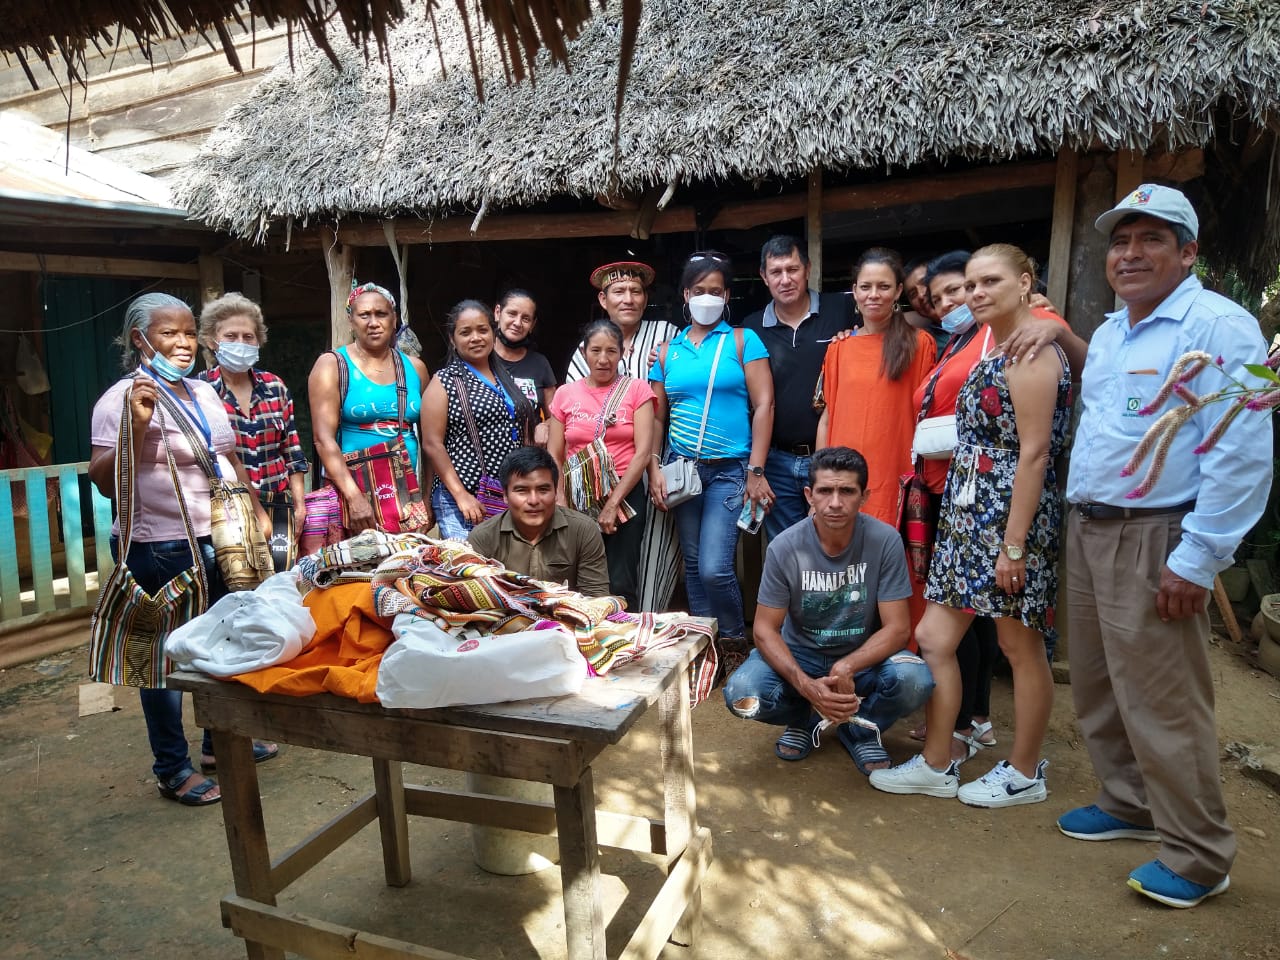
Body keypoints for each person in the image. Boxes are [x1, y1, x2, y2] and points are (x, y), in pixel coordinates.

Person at [1014, 184, 1272, 908]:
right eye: (1122, 241)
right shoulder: (1117, 331)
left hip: (1155, 533)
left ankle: (1199, 856)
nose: (1130, 254)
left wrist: (1198, 555)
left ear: (1188, 253)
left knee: (1163, 698)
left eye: (1151, 239)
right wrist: (1062, 336)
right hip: (1092, 526)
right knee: (1098, 682)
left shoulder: (1218, 328)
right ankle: (1128, 801)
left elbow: (1240, 451)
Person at [868, 244, 1072, 808]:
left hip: (1008, 517)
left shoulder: (1031, 351)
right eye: (972, 283)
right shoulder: (992, 345)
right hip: (967, 515)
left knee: (1019, 644)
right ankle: (938, 763)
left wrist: (1014, 545)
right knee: (935, 639)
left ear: (1026, 282)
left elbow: (1034, 453)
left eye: (990, 282)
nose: (977, 293)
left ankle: (1025, 772)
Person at [88, 293, 278, 807]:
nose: (183, 343)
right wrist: (136, 425)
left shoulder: (202, 391)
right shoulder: (120, 399)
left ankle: (219, 742)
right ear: (140, 339)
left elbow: (227, 457)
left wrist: (255, 508)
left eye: (189, 333)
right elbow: (103, 481)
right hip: (159, 546)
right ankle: (172, 768)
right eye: (169, 333)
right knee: (162, 660)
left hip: (219, 540)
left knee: (223, 641)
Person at [724, 446, 933, 773]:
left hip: (862, 658)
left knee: (915, 680)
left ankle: (861, 728)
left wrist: (848, 666)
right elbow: (764, 629)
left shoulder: (885, 540)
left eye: (847, 491)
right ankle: (804, 718)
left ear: (864, 497)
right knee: (742, 695)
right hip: (800, 655)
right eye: (825, 491)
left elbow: (898, 628)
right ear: (809, 495)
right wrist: (807, 686)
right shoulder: (785, 546)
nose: (835, 503)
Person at [648, 250, 773, 674]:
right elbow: (658, 416)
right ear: (686, 295)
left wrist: (756, 469)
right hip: (682, 470)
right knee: (695, 565)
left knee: (716, 568)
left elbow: (764, 404)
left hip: (730, 471)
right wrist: (653, 467)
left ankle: (734, 642)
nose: (708, 297)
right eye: (699, 290)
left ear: (727, 296)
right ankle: (706, 648)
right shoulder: (668, 352)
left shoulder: (742, 340)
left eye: (715, 291)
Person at [567, 261, 681, 612]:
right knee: (593, 559)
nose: (628, 299)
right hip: (594, 478)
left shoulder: (667, 334)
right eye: (619, 292)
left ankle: (645, 618)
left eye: (636, 291)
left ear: (646, 298)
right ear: (603, 300)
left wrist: (669, 357)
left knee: (652, 549)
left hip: (657, 460)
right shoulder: (584, 350)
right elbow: (572, 413)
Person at [742, 236, 854, 541]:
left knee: (835, 544)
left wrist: (855, 336)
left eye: (792, 269)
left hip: (833, 457)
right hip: (777, 461)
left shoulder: (842, 309)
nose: (785, 279)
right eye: (776, 272)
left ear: (807, 269)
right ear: (763, 276)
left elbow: (886, 328)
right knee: (788, 549)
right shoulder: (751, 327)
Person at [815, 248, 936, 526]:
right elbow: (827, 419)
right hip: (842, 475)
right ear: (854, 291)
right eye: (866, 286)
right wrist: (821, 476)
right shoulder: (839, 348)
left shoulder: (919, 344)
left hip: (895, 470)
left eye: (884, 286)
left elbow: (926, 417)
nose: (874, 294)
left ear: (898, 291)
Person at [547, 319, 657, 608]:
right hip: (577, 496)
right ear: (584, 352)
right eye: (595, 350)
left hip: (625, 494)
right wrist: (560, 499)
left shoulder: (637, 390)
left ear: (623, 353)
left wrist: (612, 504)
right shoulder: (565, 394)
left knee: (620, 579)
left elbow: (643, 452)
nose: (603, 359)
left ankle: (623, 632)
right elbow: (554, 453)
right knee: (576, 578)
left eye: (611, 351)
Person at [307, 282, 431, 535]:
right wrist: (354, 497)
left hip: (405, 498)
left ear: (394, 319)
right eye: (364, 315)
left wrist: (427, 499)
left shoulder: (415, 368)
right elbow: (323, 439)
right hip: (350, 493)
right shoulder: (333, 365)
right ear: (351, 321)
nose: (373, 322)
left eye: (381, 314)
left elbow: (430, 441)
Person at [197, 293, 309, 571]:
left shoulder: (275, 387)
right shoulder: (199, 390)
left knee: (282, 579)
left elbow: (292, 450)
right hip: (228, 509)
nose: (241, 343)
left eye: (248, 337)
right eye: (231, 336)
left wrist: (299, 504)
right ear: (212, 340)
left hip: (278, 502)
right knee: (238, 584)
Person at [422, 299, 538, 540]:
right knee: (469, 562)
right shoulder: (445, 381)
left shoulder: (503, 376)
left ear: (492, 332)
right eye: (465, 332)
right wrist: (461, 495)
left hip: (504, 497)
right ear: (453, 339)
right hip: (464, 500)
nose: (475, 338)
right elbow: (432, 444)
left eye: (482, 330)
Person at [468, 446, 610, 595]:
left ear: (556, 492)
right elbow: (473, 598)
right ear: (505, 495)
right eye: (522, 491)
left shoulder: (583, 530)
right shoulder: (483, 537)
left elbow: (596, 597)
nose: (534, 500)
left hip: (569, 610)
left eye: (543, 490)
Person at [492, 289, 557, 446]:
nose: (517, 323)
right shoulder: (480, 359)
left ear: (532, 325)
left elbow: (556, 416)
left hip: (527, 456)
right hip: (485, 455)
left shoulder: (540, 364)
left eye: (526, 318)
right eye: (512, 314)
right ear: (498, 312)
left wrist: (545, 426)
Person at [903, 255, 947, 357]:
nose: (921, 295)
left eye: (924, 282)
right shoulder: (924, 344)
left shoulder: (979, 317)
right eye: (913, 294)